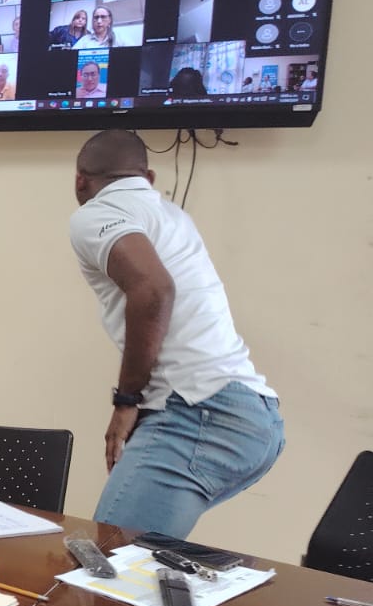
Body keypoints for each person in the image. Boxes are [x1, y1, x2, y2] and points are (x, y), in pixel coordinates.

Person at [68, 131, 284, 539]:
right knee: (143, 558)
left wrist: (127, 400)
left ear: (81, 180)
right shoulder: (172, 216)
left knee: (113, 558)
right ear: (148, 178)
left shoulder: (95, 213)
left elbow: (154, 289)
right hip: (255, 416)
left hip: (200, 413)